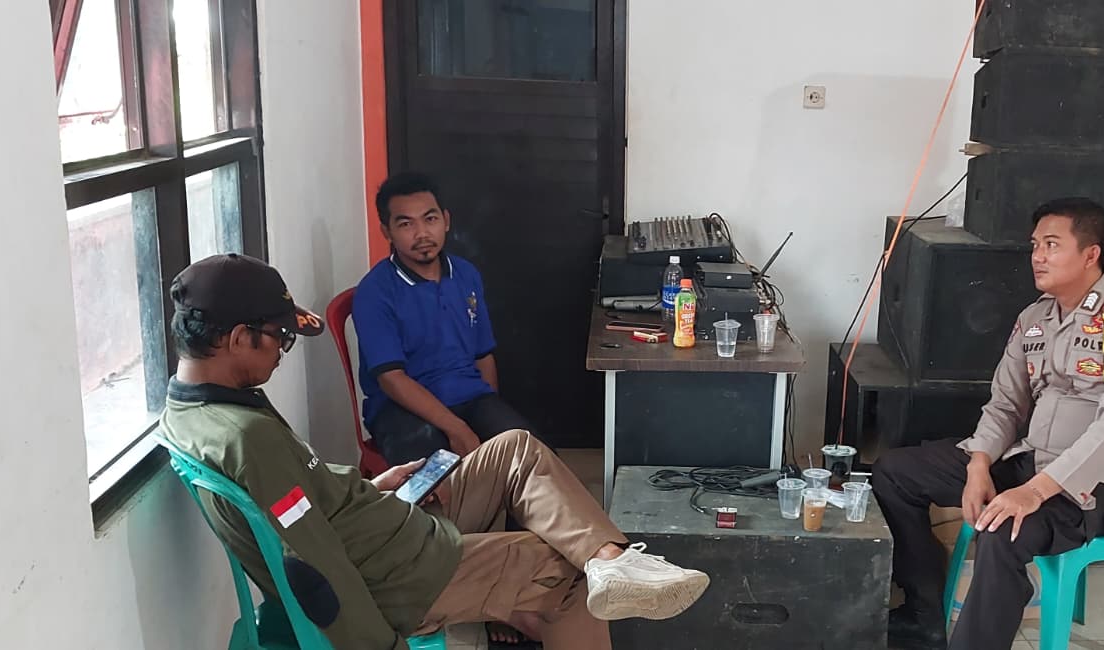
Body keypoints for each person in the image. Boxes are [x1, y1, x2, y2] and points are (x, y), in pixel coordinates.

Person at [159, 253, 710, 650]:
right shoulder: (246, 437)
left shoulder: (194, 409)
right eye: (279, 338)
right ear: (238, 339)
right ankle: (589, 571)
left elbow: (307, 504)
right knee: (566, 574)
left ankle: (612, 560)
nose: (282, 352)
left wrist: (370, 489)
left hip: (386, 525)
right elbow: (312, 566)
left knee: (515, 449)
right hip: (400, 573)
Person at [872, 198, 1104, 650]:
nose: (1037, 256)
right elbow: (1005, 404)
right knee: (896, 473)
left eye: (1052, 245)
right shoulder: (1035, 318)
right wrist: (978, 464)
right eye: (1035, 245)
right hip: (1031, 460)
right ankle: (923, 613)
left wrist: (1033, 492)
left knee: (1003, 530)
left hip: (1101, 484)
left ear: (1090, 254)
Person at [352, 172, 542, 466]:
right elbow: (391, 379)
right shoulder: (374, 292)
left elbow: (483, 356)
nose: (422, 234)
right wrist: (457, 428)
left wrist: (489, 410)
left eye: (430, 219)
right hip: (400, 409)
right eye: (406, 224)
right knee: (438, 473)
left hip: (469, 396)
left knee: (532, 459)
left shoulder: (466, 274)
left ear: (446, 220)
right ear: (386, 232)